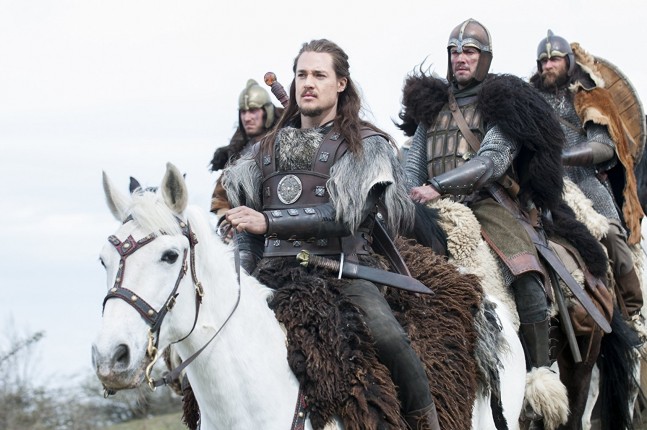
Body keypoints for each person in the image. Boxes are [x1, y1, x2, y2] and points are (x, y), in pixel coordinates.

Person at [397, 18, 608, 428]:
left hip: (489, 203)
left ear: (485, 58)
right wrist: (408, 195)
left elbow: (492, 160)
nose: (461, 58)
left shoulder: (503, 101)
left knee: (524, 269)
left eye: (469, 51)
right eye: (455, 51)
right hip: (432, 209)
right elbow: (411, 166)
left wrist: (438, 185)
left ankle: (539, 373)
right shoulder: (431, 108)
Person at [219, 39, 440, 429]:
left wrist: (269, 222)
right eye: (301, 74)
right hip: (273, 273)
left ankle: (427, 424)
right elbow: (246, 229)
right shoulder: (261, 151)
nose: (308, 83)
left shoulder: (366, 145)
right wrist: (240, 278)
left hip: (343, 270)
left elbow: (344, 215)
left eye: (319, 75)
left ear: (340, 84)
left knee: (390, 340)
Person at [529, 31, 645, 329]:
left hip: (586, 183)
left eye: (554, 59)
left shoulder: (587, 95)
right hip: (547, 184)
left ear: (568, 62)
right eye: (543, 61)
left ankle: (632, 310)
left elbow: (604, 146)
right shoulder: (531, 101)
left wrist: (563, 156)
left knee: (612, 235)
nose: (548, 66)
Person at [209, 79, 283, 219]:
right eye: (243, 112)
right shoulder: (238, 154)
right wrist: (226, 221)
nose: (247, 118)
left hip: (283, 220)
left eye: (253, 110)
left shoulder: (286, 144)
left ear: (267, 112)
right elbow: (220, 200)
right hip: (246, 225)